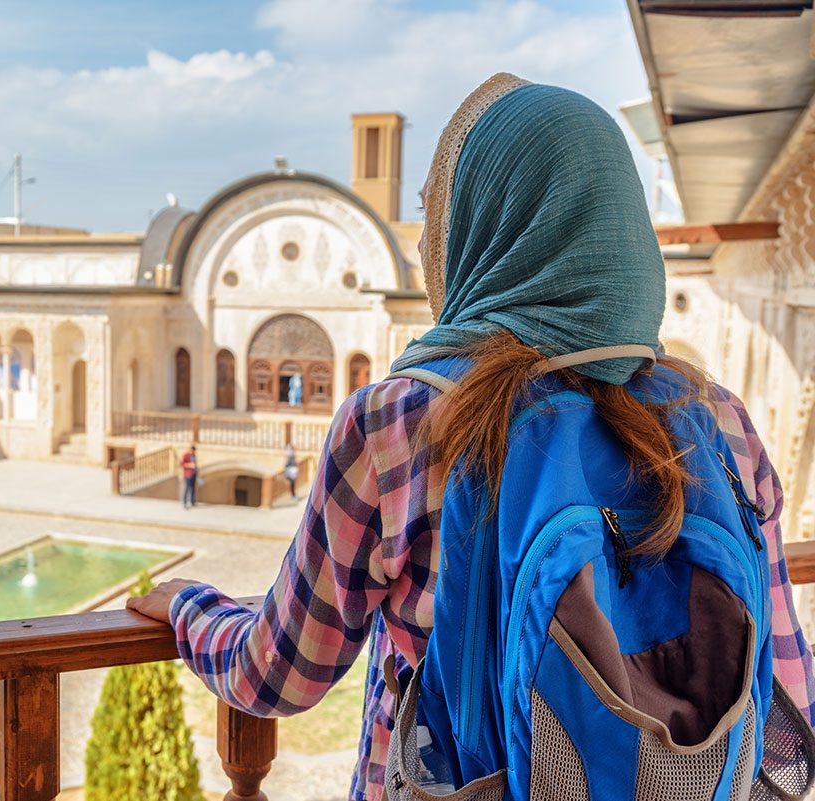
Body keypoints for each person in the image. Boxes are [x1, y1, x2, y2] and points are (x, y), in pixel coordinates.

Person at [128, 74, 815, 800]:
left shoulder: (399, 423)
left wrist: (186, 607)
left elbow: (278, 672)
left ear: (486, 224)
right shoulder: (716, 420)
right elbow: (787, 682)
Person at [180, 444, 197, 509]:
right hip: (188, 474)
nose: (192, 451)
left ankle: (192, 501)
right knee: (187, 488)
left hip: (194, 474)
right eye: (192, 449)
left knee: (193, 488)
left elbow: (195, 464)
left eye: (194, 450)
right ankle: (185, 502)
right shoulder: (186, 455)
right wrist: (190, 465)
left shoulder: (194, 456)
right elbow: (181, 464)